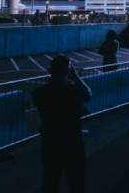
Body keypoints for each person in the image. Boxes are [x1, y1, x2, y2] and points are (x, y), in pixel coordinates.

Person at [32, 55, 92, 193]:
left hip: (50, 141)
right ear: (68, 71)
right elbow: (88, 93)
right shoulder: (73, 91)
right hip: (72, 140)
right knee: (75, 181)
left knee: (50, 181)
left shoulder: (39, 92)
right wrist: (75, 77)